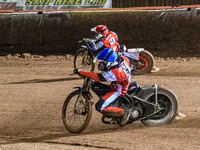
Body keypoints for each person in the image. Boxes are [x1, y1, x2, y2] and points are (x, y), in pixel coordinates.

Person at [74, 48, 131, 125]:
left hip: (118, 91)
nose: (101, 64)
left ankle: (124, 112)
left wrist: (81, 72)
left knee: (99, 106)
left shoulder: (115, 73)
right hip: (117, 84)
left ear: (109, 62)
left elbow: (98, 77)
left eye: (103, 62)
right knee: (95, 85)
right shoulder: (123, 59)